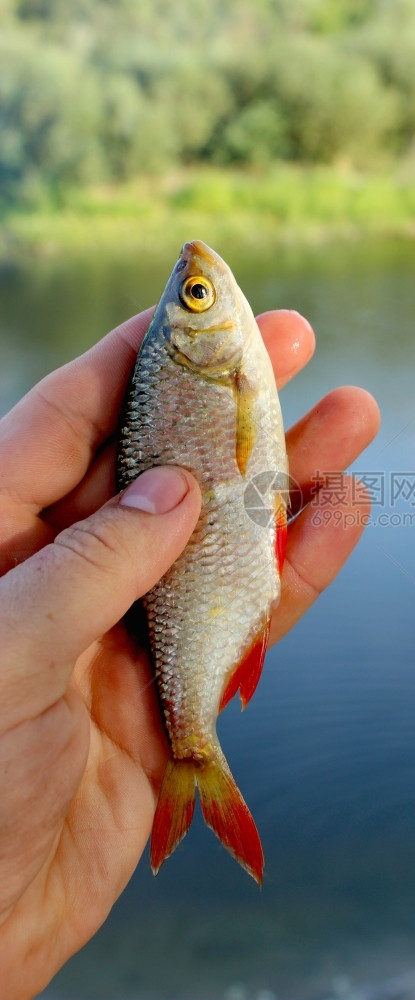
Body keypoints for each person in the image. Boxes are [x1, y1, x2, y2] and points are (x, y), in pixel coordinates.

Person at [0, 306, 380, 999]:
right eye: (200, 297)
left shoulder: (207, 365)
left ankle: (192, 752)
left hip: (222, 571)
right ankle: (192, 750)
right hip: (219, 571)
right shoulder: (204, 364)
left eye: (195, 294)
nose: (203, 294)